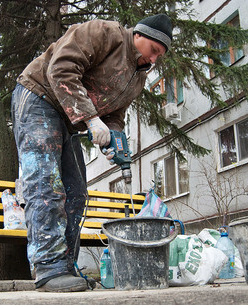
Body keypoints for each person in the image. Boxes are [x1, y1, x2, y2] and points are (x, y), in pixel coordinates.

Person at [11, 14, 172, 292]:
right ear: (139, 36)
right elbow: (61, 68)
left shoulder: (137, 79)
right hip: (39, 95)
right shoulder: (104, 33)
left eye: (160, 55)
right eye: (154, 50)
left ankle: (65, 265)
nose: (155, 59)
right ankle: (48, 267)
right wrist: (91, 119)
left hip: (68, 119)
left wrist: (113, 139)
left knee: (77, 192)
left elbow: (116, 116)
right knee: (46, 184)